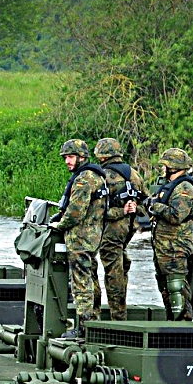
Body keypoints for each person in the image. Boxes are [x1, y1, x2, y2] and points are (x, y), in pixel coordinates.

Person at [46, 138, 106, 339]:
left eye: (71, 157)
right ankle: (94, 321)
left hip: (80, 238)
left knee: (81, 282)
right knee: (91, 278)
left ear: (81, 157)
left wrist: (59, 225)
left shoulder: (83, 179)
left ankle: (84, 327)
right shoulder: (97, 176)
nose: (67, 161)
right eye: (65, 157)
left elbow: (75, 212)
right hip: (93, 236)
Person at [145, 148, 193, 321]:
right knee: (165, 286)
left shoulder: (184, 188)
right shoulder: (170, 185)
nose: (163, 168)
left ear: (174, 166)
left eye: (165, 165)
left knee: (176, 286)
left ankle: (181, 322)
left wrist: (154, 205)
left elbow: (176, 216)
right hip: (164, 246)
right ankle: (172, 320)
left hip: (176, 246)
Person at [95, 137, 144, 320]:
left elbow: (97, 211)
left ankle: (118, 317)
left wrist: (120, 211)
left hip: (110, 232)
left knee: (113, 273)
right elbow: (146, 203)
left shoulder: (102, 176)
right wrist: (134, 208)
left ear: (102, 156)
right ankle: (120, 311)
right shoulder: (134, 174)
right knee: (121, 267)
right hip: (129, 231)